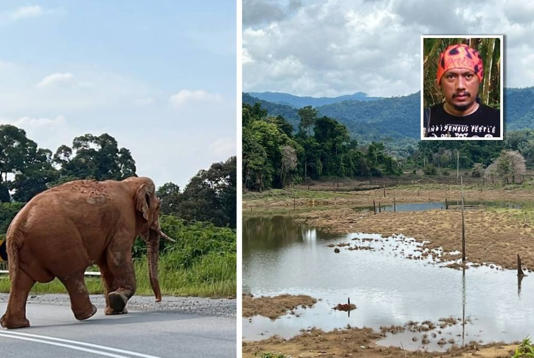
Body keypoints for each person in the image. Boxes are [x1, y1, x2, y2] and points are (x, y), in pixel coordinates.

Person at [424, 43, 500, 138]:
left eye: (468, 76)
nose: (460, 86)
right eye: (451, 77)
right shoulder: (425, 120)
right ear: (439, 83)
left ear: (479, 80)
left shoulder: (499, 121)